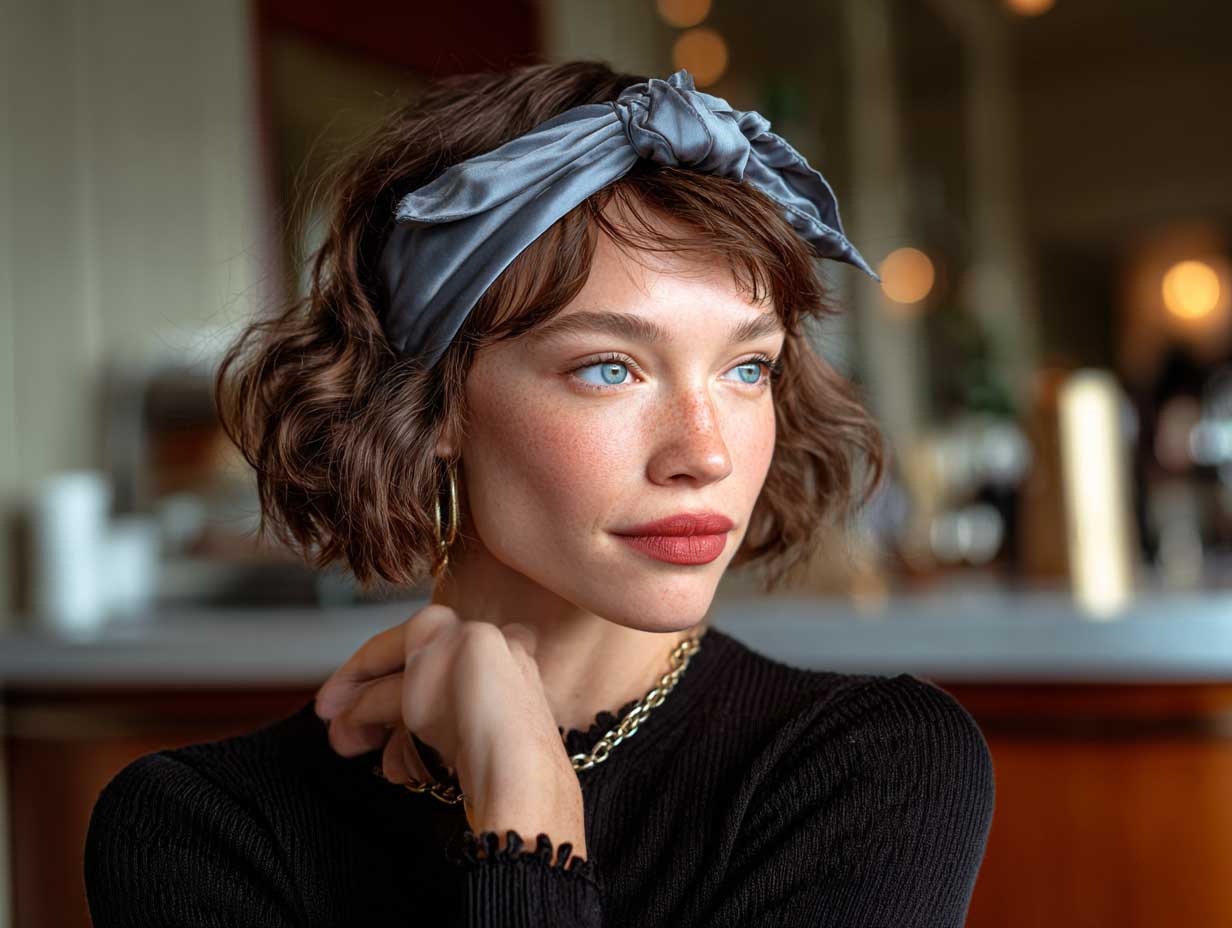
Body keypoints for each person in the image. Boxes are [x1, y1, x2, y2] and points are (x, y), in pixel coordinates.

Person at [84, 60, 995, 927]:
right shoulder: (202, 834)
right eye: (610, 368)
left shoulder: (875, 769)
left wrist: (527, 816)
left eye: (747, 367)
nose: (706, 455)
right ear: (431, 399)